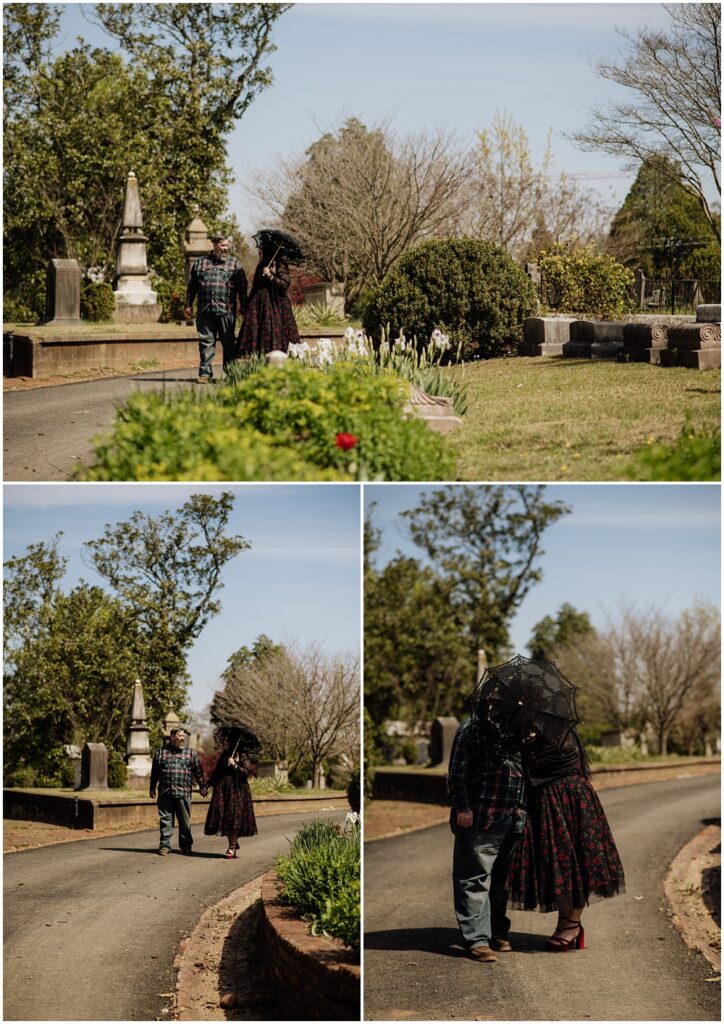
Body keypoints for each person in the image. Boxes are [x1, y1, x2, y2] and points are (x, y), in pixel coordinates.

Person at [506, 725, 625, 951]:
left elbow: (538, 769)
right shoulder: (540, 736)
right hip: (550, 804)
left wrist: (525, 746)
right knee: (560, 867)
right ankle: (566, 923)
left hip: (571, 802)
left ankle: (572, 925)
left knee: (577, 864)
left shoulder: (561, 735)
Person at [448, 707, 528, 963]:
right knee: (474, 879)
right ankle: (477, 940)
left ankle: (497, 931)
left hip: (513, 819)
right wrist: (463, 807)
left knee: (502, 882)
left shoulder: (517, 729)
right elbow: (457, 772)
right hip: (480, 817)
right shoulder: (472, 727)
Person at [184, 234, 247, 384]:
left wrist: (244, 306)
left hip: (227, 311)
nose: (226, 249)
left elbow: (242, 289)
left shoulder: (235, 264)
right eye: (223, 245)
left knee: (229, 343)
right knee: (206, 342)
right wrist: (188, 304)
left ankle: (231, 373)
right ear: (215, 245)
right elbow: (191, 287)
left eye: (227, 246)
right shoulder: (200, 263)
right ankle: (205, 373)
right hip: (205, 311)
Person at [236, 236, 301, 355]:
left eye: (262, 247)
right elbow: (255, 286)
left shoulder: (280, 264)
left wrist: (270, 275)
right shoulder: (261, 264)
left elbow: (284, 285)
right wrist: (247, 305)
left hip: (276, 304)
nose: (260, 250)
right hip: (258, 304)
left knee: (275, 335)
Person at [149, 727, 207, 856]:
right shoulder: (160, 753)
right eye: (180, 736)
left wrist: (202, 786)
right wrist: (152, 788)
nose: (182, 738)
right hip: (165, 792)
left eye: (183, 736)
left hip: (183, 793)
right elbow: (154, 773)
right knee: (165, 820)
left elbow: (198, 772)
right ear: (172, 737)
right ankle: (164, 845)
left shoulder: (190, 753)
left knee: (184, 822)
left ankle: (186, 845)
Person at [204, 727, 258, 858]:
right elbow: (216, 773)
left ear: (233, 742)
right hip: (223, 790)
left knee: (233, 818)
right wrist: (206, 786)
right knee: (224, 819)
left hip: (237, 790)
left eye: (227, 742)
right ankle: (233, 843)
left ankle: (232, 846)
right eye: (224, 741)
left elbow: (246, 773)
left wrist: (234, 765)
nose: (224, 744)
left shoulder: (242, 755)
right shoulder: (224, 755)